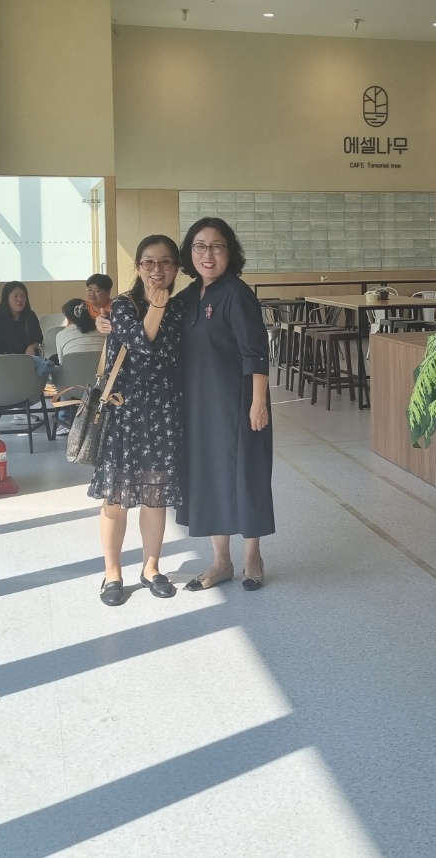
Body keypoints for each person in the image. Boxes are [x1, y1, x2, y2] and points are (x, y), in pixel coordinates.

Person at [177, 217, 275, 592]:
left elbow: (256, 352)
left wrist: (258, 403)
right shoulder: (189, 296)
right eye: (200, 246)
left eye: (217, 246)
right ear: (190, 252)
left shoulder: (236, 293)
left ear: (229, 252)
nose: (208, 254)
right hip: (199, 405)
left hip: (239, 402)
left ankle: (253, 557)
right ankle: (221, 562)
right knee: (209, 477)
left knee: (245, 475)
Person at [88, 237, 188, 606]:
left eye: (165, 262)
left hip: (164, 414)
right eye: (148, 262)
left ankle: (151, 567)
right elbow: (142, 343)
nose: (157, 270)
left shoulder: (181, 308)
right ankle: (112, 572)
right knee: (115, 499)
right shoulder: (122, 306)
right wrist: (156, 306)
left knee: (155, 497)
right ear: (138, 267)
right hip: (124, 413)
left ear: (176, 268)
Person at [0, 281, 43, 356]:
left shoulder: (30, 316)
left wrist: (31, 347)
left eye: (23, 296)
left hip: (22, 359)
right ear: (7, 298)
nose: (20, 299)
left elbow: (37, 339)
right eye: (15, 296)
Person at [55, 297, 107, 362]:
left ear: (68, 319)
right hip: (101, 368)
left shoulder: (60, 335)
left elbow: (61, 363)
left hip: (73, 368)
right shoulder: (103, 331)